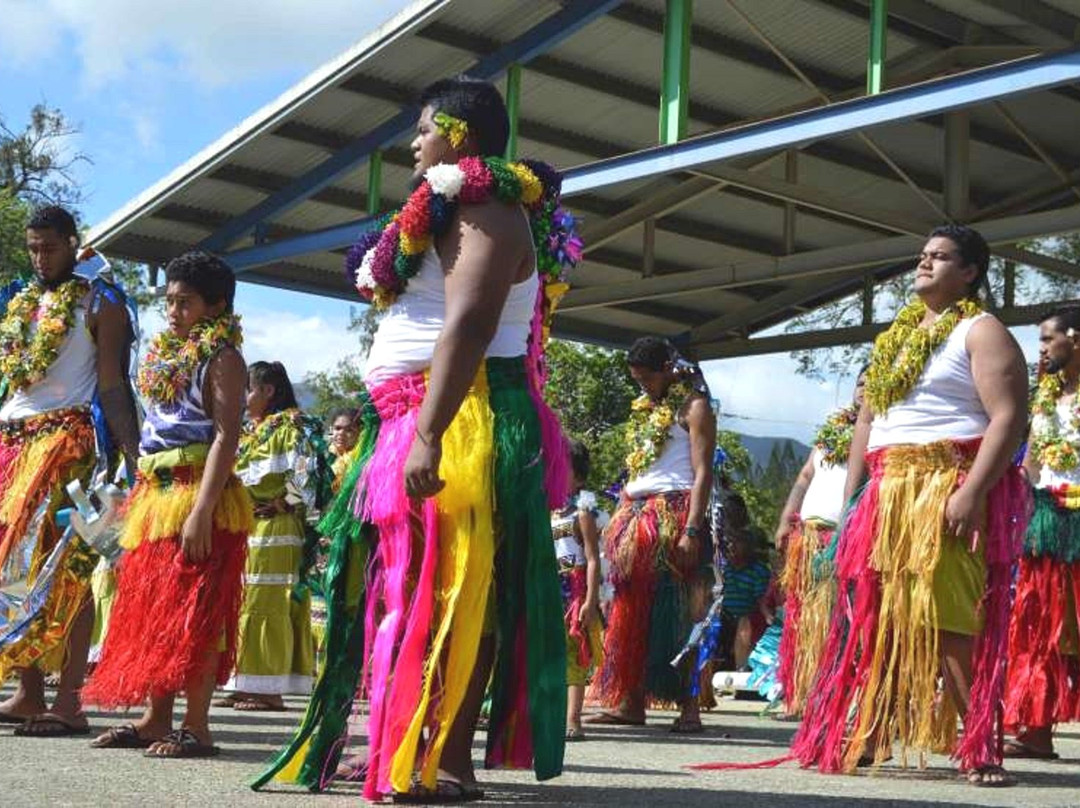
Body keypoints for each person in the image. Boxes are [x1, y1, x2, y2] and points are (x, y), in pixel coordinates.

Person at [254, 76, 580, 802]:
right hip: (406, 418)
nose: (412, 142)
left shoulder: (489, 205)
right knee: (401, 592)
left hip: (461, 416)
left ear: (458, 135)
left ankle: (448, 760)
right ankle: (402, 746)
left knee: (462, 594)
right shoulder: (444, 209)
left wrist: (430, 433)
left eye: (422, 127)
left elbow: (469, 322)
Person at [782, 225, 1030, 786]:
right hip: (885, 492)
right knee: (880, 621)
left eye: (939, 257)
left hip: (944, 484)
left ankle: (978, 747)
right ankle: (872, 733)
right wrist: (853, 498)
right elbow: (867, 422)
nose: (923, 264)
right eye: (921, 256)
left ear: (969, 272)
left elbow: (1008, 418)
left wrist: (971, 492)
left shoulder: (980, 329)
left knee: (948, 619)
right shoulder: (894, 338)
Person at [84, 250, 251, 758]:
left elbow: (227, 436)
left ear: (217, 306)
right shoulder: (167, 355)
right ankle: (156, 720)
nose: (174, 312)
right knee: (157, 609)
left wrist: (202, 510)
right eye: (170, 302)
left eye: (186, 303)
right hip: (154, 495)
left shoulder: (222, 357)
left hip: (200, 495)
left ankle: (196, 727)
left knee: (195, 613)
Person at [0, 206, 139, 737]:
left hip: (67, 445)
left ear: (73, 243)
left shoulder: (100, 300)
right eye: (33, 248)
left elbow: (112, 384)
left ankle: (70, 701)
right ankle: (28, 692)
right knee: (14, 572)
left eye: (50, 247)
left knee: (69, 571)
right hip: (12, 443)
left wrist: (131, 454)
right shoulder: (20, 302)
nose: (40, 258)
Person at [587, 337, 716, 733]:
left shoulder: (694, 406)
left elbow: (702, 472)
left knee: (683, 611)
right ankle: (630, 701)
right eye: (636, 380)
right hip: (636, 514)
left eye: (646, 378)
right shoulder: (646, 410)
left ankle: (689, 707)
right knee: (629, 610)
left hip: (674, 513)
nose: (641, 385)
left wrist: (692, 528)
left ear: (666, 369)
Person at [219, 361, 332, 711]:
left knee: (268, 603)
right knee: (246, 603)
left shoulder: (291, 426)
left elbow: (311, 476)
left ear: (268, 391)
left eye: (248, 389)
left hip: (277, 531)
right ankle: (246, 681)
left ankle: (269, 688)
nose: (243, 397)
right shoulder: (249, 430)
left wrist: (284, 503)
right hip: (248, 528)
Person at [1004, 306, 1080, 759]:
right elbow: (1030, 463)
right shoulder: (1045, 399)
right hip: (1046, 525)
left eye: (1048, 339)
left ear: (1076, 337)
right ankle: (1034, 730)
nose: (1042, 349)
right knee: (1037, 629)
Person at [773, 370, 866, 715]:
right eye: (859, 383)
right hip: (808, 536)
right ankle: (802, 692)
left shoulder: (882, 427)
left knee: (837, 620)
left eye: (872, 384)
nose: (863, 389)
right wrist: (786, 518)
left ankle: (835, 696)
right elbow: (805, 476)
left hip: (845, 537)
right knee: (801, 619)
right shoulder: (832, 430)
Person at [553, 441, 605, 741]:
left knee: (575, 655)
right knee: (552, 654)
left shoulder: (581, 513)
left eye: (565, 469)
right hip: (550, 588)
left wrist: (589, 600)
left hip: (573, 592)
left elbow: (592, 559)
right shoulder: (548, 511)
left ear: (580, 478)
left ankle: (573, 720)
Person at [722, 528, 772, 671]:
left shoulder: (758, 571)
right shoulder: (726, 569)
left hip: (749, 620)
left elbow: (761, 599)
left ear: (748, 546)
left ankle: (742, 669)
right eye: (730, 543)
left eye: (737, 542)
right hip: (726, 617)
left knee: (744, 627)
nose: (731, 546)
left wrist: (768, 616)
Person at [327, 406, 360, 489]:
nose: (341, 433)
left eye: (349, 430)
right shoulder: (328, 455)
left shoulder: (361, 461)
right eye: (337, 428)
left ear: (359, 432)